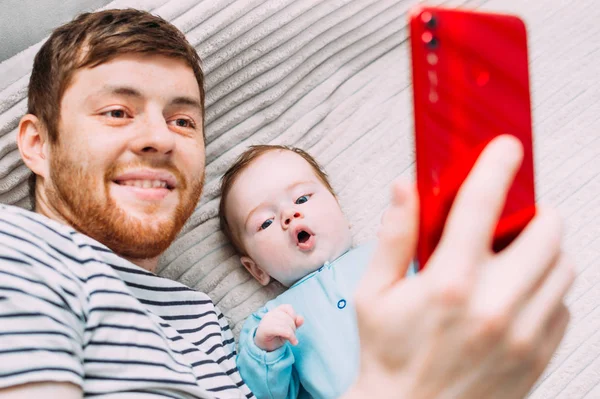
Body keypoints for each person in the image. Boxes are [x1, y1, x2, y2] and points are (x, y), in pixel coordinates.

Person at [0, 7, 574, 399]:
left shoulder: (204, 320)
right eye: (117, 111)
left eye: (183, 119)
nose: (160, 137)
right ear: (37, 144)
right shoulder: (17, 254)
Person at [219, 144, 415, 399]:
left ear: (341, 212)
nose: (289, 214)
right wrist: (265, 353)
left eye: (302, 199)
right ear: (256, 269)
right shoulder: (270, 322)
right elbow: (267, 394)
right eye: (265, 222)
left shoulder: (385, 249)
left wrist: (413, 235)